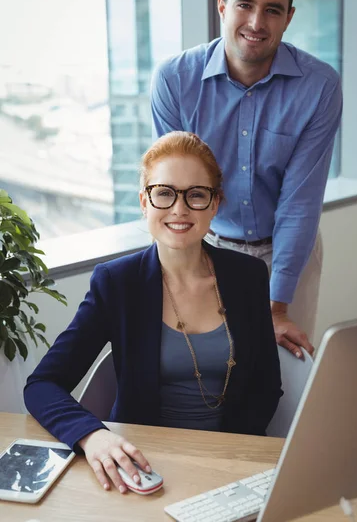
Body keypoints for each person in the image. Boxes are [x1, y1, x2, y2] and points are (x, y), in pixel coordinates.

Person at [24, 131, 282, 495]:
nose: (179, 209)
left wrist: (227, 458)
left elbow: (267, 387)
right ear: (145, 202)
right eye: (164, 193)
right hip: (144, 467)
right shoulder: (117, 282)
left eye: (196, 194)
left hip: (230, 463)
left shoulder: (248, 276)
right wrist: (93, 435)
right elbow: (42, 385)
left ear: (215, 204)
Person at [151, 0, 343, 359]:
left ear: (289, 17)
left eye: (273, 9)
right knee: (211, 374)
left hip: (290, 248)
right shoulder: (174, 80)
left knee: (283, 379)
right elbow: (172, 195)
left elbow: (299, 204)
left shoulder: (320, 88)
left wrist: (276, 307)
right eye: (245, 4)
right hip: (207, 244)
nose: (257, 22)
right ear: (222, 6)